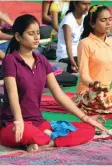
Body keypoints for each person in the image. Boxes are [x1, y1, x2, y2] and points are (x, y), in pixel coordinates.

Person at [0, 14, 110, 153]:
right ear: (18, 37)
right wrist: (19, 120)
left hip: (39, 124)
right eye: (31, 34)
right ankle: (40, 139)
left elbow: (59, 94)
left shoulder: (42, 60)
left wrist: (86, 117)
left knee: (87, 129)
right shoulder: (11, 60)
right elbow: (12, 93)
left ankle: (46, 142)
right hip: (14, 124)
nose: (36, 38)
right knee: (27, 132)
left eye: (38, 33)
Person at [72, 5, 112, 114]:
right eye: (103, 20)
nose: (108, 23)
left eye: (110, 19)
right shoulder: (85, 43)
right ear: (92, 24)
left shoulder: (110, 42)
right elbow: (83, 75)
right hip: (89, 93)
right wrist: (94, 85)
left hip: (107, 93)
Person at [56, 1, 91, 73]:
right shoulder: (68, 20)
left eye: (89, 4)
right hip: (66, 56)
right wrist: (72, 61)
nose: (87, 7)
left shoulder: (85, 16)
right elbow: (68, 45)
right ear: (75, 4)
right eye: (84, 4)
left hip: (78, 54)